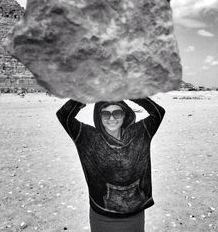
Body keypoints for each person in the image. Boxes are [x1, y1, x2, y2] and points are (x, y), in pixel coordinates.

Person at [56, 97, 165, 232]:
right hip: (102, 217)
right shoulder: (87, 137)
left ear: (125, 114)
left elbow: (158, 113)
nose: (112, 119)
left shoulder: (140, 133)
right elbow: (63, 115)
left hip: (134, 215)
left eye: (117, 113)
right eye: (106, 113)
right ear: (99, 116)